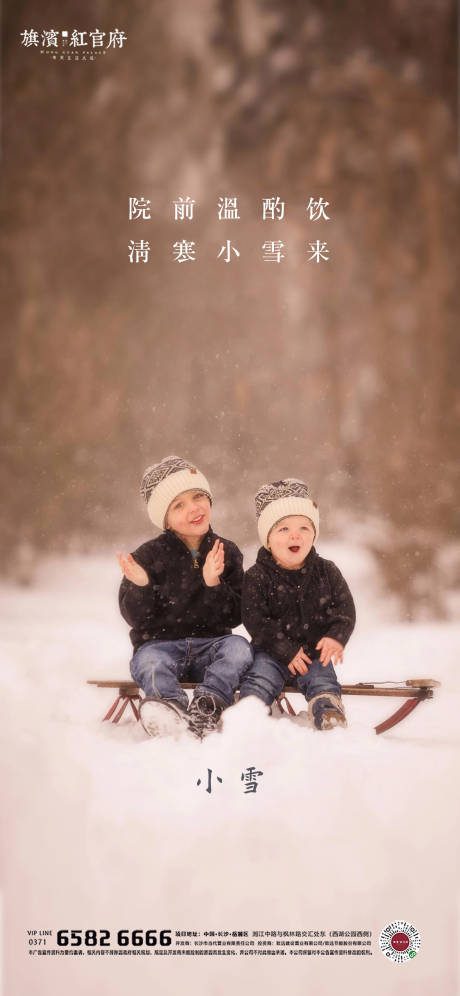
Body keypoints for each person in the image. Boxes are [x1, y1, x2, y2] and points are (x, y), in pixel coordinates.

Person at [117, 456, 252, 738]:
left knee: (240, 649)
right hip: (160, 645)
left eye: (198, 496)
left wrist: (213, 583)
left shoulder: (226, 551)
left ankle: (207, 703)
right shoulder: (148, 556)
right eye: (179, 505)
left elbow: (237, 614)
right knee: (149, 663)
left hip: (212, 645)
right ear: (165, 519)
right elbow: (136, 618)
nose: (194, 508)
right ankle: (169, 708)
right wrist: (141, 586)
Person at [239, 479, 356, 730]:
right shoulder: (257, 576)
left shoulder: (327, 571)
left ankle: (327, 710)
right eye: (283, 529)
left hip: (314, 653)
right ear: (268, 540)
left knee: (322, 680)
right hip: (270, 652)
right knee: (259, 678)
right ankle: (250, 710)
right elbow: (255, 620)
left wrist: (336, 636)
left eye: (304, 527)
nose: (295, 535)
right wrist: (283, 648)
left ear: (313, 534)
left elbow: (345, 610)